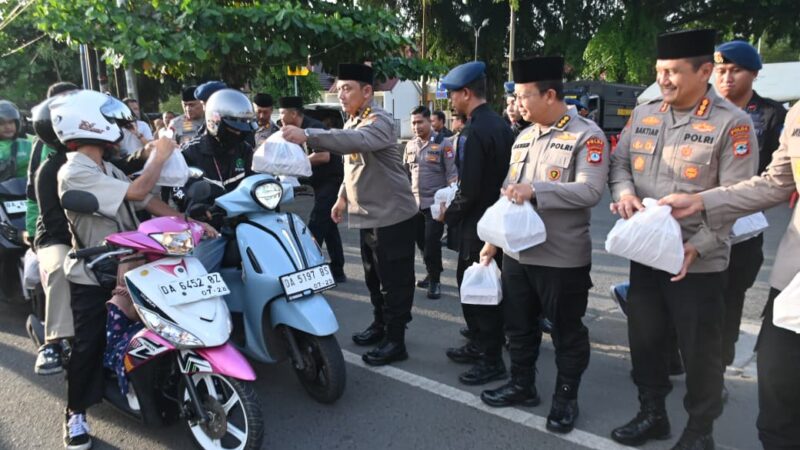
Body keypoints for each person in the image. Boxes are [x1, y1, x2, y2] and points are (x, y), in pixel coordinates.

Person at [609, 40, 787, 395]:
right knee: (649, 334)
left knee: (707, 340)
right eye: (659, 72)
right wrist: (625, 194)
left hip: (714, 249)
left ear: (702, 72)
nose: (663, 80)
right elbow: (622, 164)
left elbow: (740, 194)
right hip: (652, 249)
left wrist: (700, 243)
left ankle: (703, 410)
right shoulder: (647, 113)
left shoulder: (744, 121)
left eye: (672, 72)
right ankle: (655, 404)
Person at [52, 89, 214, 450]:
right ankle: (75, 411)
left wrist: (189, 221)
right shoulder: (73, 169)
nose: (118, 128)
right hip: (96, 272)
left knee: (162, 322)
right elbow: (140, 186)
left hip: (132, 263)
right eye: (109, 120)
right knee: (89, 345)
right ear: (89, 123)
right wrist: (159, 153)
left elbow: (147, 198)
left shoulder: (105, 167)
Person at [478, 56, 609, 434]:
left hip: (561, 257)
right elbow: (508, 194)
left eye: (523, 97)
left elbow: (590, 190)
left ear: (550, 94)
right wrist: (491, 243)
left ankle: (566, 398)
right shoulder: (523, 137)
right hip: (518, 254)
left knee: (566, 331)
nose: (517, 104)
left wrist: (536, 190)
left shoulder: (587, 134)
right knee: (517, 325)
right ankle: (522, 385)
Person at [659, 101, 800, 450]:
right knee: (778, 393)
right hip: (794, 282)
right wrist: (703, 201)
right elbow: (775, 183)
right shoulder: (798, 113)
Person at [282, 63, 419, 366]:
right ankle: (381, 325)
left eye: (347, 88)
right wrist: (342, 197)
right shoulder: (355, 121)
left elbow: (352, 143)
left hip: (393, 217)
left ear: (367, 92)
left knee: (394, 282)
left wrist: (307, 134)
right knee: (373, 278)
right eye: (339, 88)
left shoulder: (379, 120)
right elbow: (352, 163)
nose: (340, 94)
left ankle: (396, 341)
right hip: (368, 215)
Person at [438, 61, 514, 386]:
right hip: (498, 222)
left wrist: (446, 215)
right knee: (488, 290)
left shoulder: (472, 131)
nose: (450, 101)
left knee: (478, 293)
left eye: (453, 94)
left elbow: (467, 190)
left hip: (477, 226)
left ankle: (491, 359)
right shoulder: (500, 125)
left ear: (466, 93)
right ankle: (479, 345)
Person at [25, 82, 80, 375]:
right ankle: (55, 341)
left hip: (96, 232)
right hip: (55, 234)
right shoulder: (46, 156)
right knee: (62, 267)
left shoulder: (99, 147)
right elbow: (41, 205)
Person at [179, 89, 257, 272]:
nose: (239, 133)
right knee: (198, 275)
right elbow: (177, 189)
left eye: (243, 128)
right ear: (215, 121)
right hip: (211, 227)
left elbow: (255, 178)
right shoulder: (190, 152)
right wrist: (196, 206)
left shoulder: (244, 150)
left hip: (246, 222)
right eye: (234, 128)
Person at [278, 95, 346, 283]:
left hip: (332, 181)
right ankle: (338, 270)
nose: (281, 117)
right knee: (329, 226)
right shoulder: (294, 129)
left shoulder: (313, 128)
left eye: (283, 113)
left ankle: (309, 269)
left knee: (316, 224)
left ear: (293, 113)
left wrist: (295, 164)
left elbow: (323, 156)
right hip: (318, 183)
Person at [403, 106, 458, 299]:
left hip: (435, 206)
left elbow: (452, 176)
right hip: (414, 204)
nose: (416, 127)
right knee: (421, 243)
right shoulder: (410, 145)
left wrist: (447, 203)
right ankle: (430, 272)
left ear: (429, 122)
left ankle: (435, 280)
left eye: (420, 122)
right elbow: (405, 175)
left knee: (431, 244)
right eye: (413, 123)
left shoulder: (444, 144)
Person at [0, 99, 32, 183]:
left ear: (17, 123)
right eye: (2, 123)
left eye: (11, 122)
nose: (7, 127)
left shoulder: (29, 143)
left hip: (25, 193)